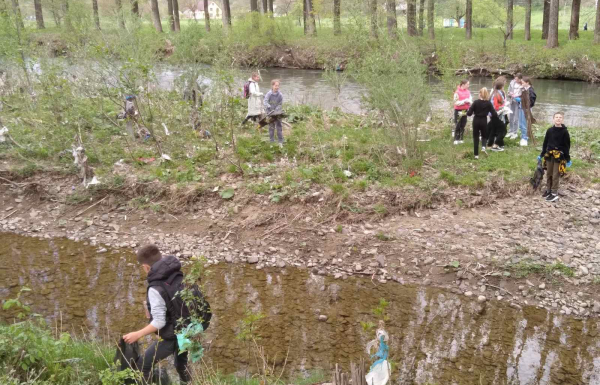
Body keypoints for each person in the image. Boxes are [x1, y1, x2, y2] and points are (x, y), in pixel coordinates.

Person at [123, 245, 191, 384]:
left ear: (146, 267)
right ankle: (188, 382)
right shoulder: (175, 273)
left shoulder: (155, 288)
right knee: (181, 365)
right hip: (187, 329)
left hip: (173, 336)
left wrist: (137, 334)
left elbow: (159, 322)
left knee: (143, 365)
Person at [538, 112, 571, 202]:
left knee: (556, 174)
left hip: (559, 156)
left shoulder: (565, 132)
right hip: (549, 155)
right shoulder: (549, 130)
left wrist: (567, 159)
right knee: (549, 173)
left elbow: (567, 146)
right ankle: (548, 190)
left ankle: (554, 193)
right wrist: (541, 154)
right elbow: (545, 143)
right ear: (553, 119)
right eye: (556, 117)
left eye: (560, 117)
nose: (558, 119)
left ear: (562, 120)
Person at [467, 87, 498, 159]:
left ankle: (476, 155)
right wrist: (488, 114)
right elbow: (494, 114)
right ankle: (483, 147)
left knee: (476, 137)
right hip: (484, 120)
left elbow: (469, 114)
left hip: (476, 120)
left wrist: (469, 109)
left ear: (480, 94)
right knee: (484, 135)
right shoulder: (489, 103)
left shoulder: (475, 102)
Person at [487, 76, 509, 152]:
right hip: (497, 115)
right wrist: (503, 107)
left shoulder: (494, 91)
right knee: (503, 130)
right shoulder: (497, 94)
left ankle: (489, 145)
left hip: (493, 115)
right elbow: (496, 106)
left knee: (493, 129)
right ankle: (495, 145)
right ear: (502, 86)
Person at [263, 79, 284, 145]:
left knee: (279, 127)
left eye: (278, 86)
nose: (277, 87)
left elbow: (280, 103)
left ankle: (280, 141)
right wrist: (269, 107)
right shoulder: (269, 94)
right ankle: (272, 141)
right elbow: (265, 101)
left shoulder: (280, 95)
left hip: (277, 113)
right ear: (272, 86)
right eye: (275, 85)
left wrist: (277, 109)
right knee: (271, 127)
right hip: (270, 113)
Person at [453, 79, 472, 145]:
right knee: (457, 124)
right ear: (463, 85)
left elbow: (470, 100)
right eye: (467, 84)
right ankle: (456, 139)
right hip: (458, 110)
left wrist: (469, 102)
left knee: (463, 124)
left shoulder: (468, 92)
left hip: (465, 110)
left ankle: (461, 138)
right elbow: (456, 102)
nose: (468, 85)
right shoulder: (457, 92)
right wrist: (464, 101)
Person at [506, 74, 523, 141]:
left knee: (516, 118)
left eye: (517, 79)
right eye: (515, 79)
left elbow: (524, 94)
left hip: (518, 103)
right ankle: (510, 131)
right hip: (512, 101)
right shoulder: (512, 82)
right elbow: (508, 91)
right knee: (510, 117)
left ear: (520, 79)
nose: (516, 80)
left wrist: (519, 97)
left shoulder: (522, 84)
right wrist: (509, 94)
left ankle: (515, 133)